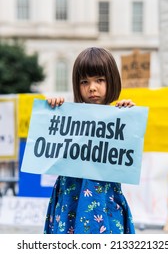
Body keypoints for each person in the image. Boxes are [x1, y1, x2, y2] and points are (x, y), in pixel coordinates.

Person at [44, 47, 136, 234]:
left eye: (99, 80)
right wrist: (54, 109)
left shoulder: (119, 116)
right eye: (84, 81)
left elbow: (127, 155)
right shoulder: (68, 116)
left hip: (105, 198)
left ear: (112, 81)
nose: (92, 87)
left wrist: (129, 115)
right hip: (71, 196)